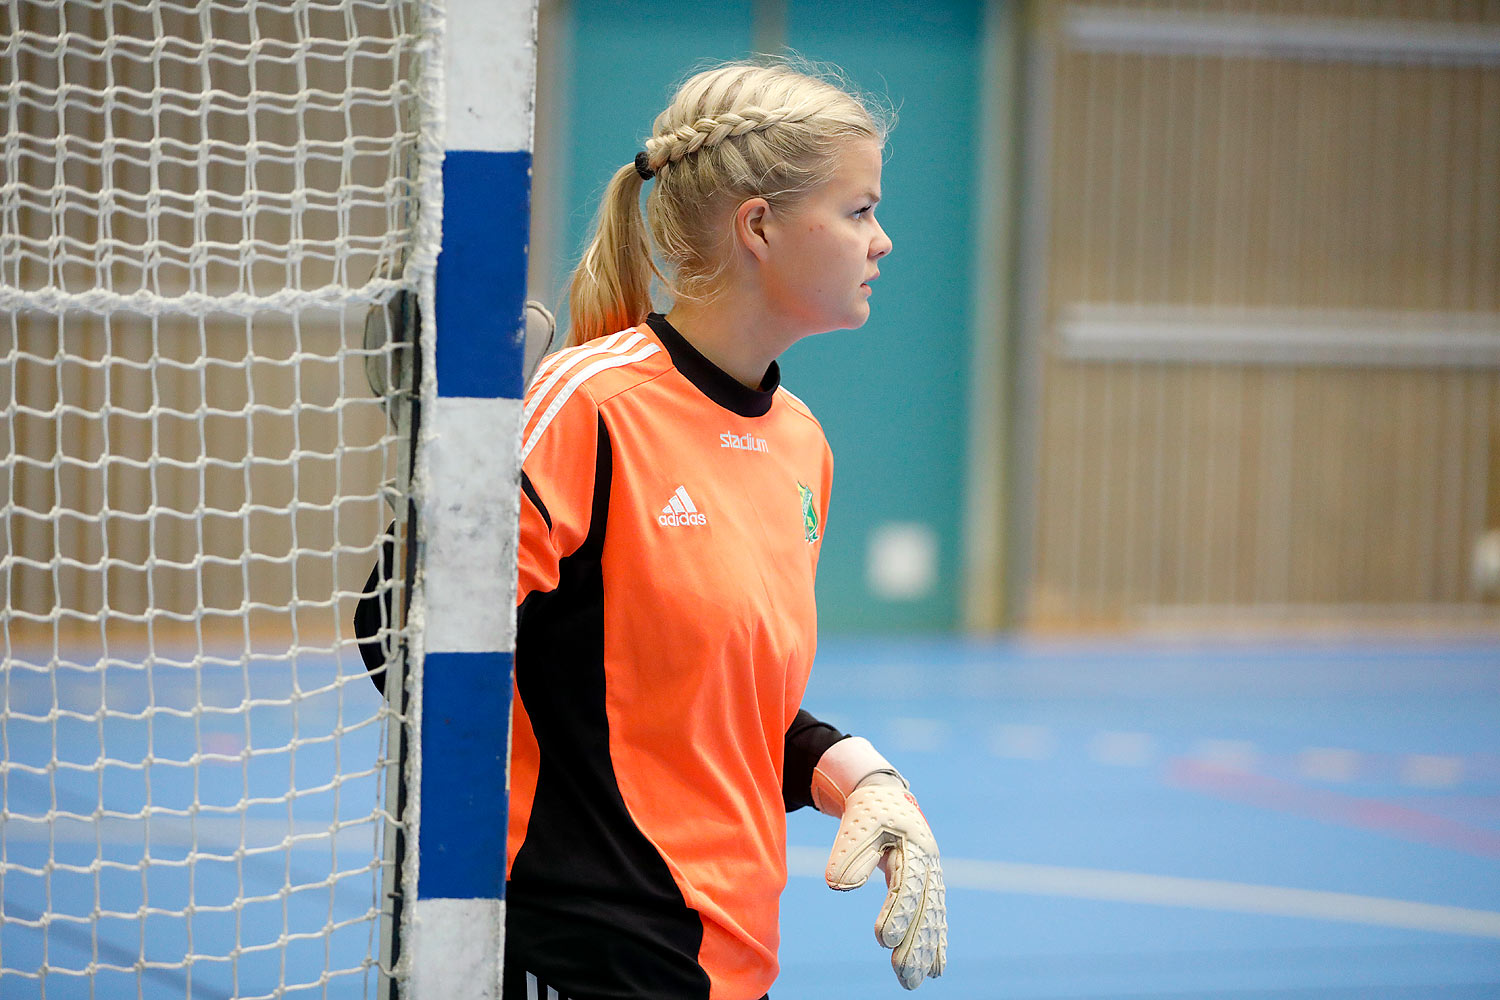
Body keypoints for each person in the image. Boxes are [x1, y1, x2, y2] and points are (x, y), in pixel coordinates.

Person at [515, 58, 946, 1000]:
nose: (883, 242)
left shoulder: (802, 445)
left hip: (729, 952)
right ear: (759, 225)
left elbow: (703, 694)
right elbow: (404, 629)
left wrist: (857, 775)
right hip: (585, 948)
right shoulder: (592, 404)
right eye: (859, 210)